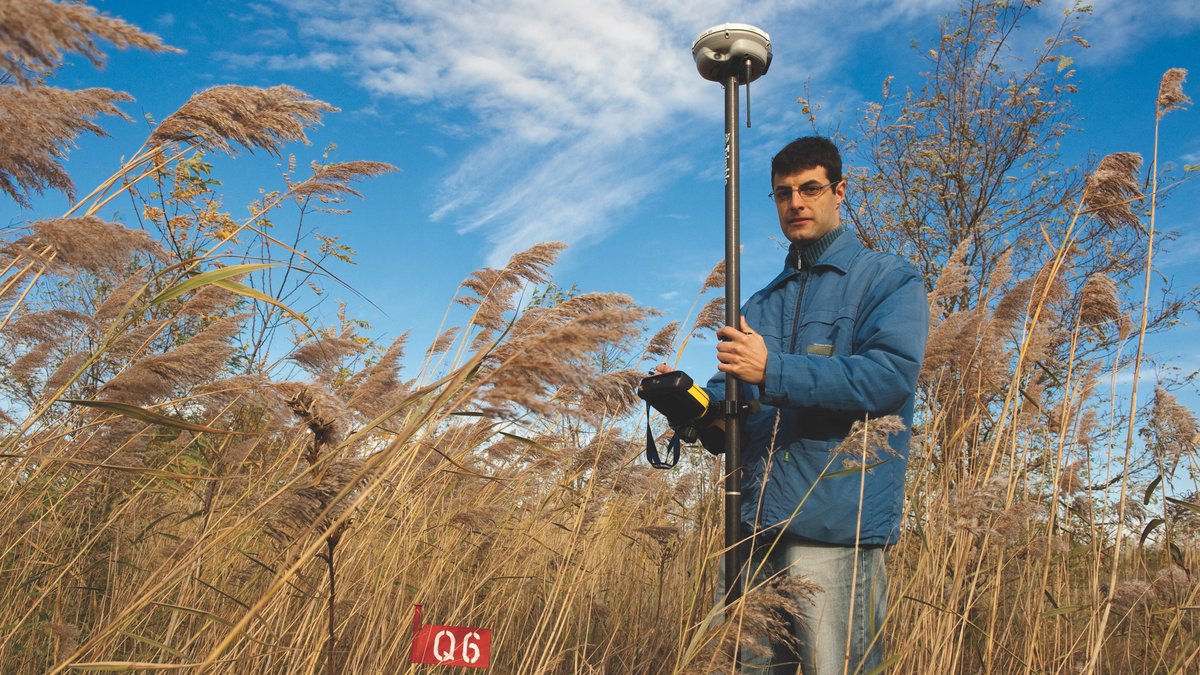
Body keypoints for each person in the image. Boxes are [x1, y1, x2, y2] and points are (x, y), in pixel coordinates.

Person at [663, 136, 928, 674]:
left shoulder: (888, 279)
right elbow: (733, 395)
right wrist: (692, 404)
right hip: (754, 530)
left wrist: (773, 370)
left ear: (839, 192)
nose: (796, 203)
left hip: (834, 531)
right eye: (783, 193)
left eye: (810, 189)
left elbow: (889, 376)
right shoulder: (761, 301)